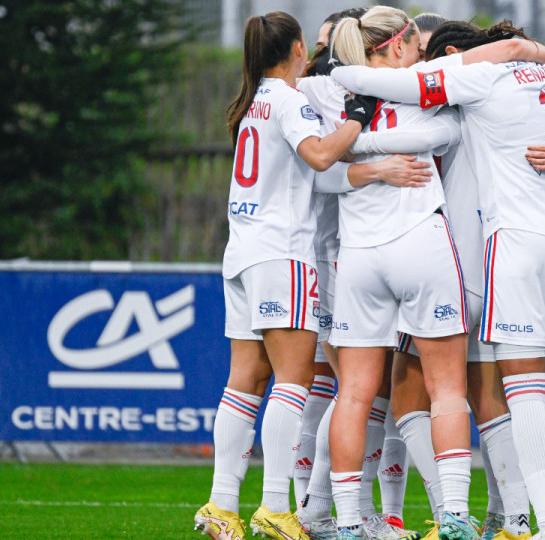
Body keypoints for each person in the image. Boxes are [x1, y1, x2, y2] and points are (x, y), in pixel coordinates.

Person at [334, 19, 545, 540]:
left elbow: (387, 87)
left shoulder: (469, 85)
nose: (425, 65)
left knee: (504, 395)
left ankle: (529, 522)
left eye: (430, 54)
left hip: (495, 255)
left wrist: (341, 95)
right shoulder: (541, 85)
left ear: (455, 56)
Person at [193, 11, 379, 540]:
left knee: (244, 382)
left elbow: (307, 175)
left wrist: (368, 169)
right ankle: (276, 506)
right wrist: (356, 120)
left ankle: (222, 505)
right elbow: (318, 156)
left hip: (242, 253)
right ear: (298, 48)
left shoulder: (252, 101)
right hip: (283, 254)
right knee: (293, 382)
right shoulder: (289, 99)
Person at [326, 7, 476, 540]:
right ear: (396, 46)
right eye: (415, 47)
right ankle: (453, 514)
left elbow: (318, 166)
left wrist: (364, 148)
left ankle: (348, 521)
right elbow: (453, 131)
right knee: (447, 387)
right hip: (419, 242)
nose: (422, 58)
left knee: (353, 395)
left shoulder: (334, 94)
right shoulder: (421, 88)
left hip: (358, 255)